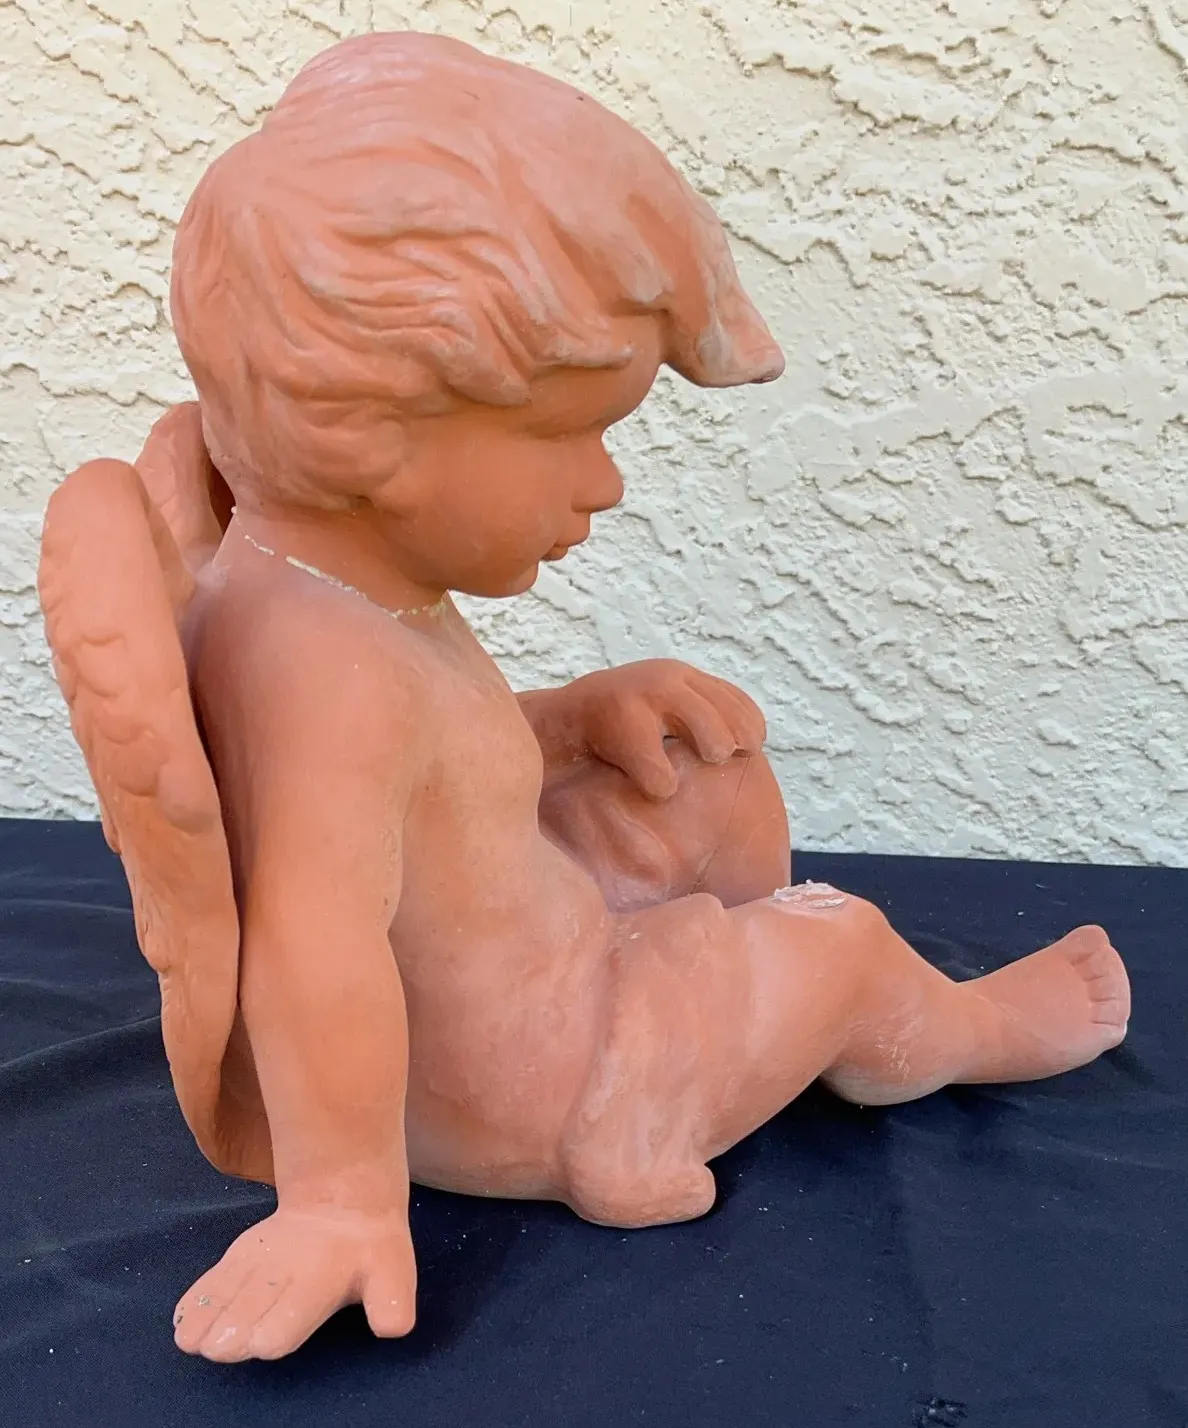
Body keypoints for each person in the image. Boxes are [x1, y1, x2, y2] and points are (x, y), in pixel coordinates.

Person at [39, 33, 1129, 1364]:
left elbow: (443, 785)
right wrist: (339, 1204)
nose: (605, 483)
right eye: (571, 434)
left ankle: (729, 1008)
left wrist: (570, 719)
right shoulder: (326, 676)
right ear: (380, 433)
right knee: (842, 940)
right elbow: (312, 949)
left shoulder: (317, 585)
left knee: (701, 779)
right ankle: (937, 1034)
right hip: (552, 1075)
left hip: (517, 975)